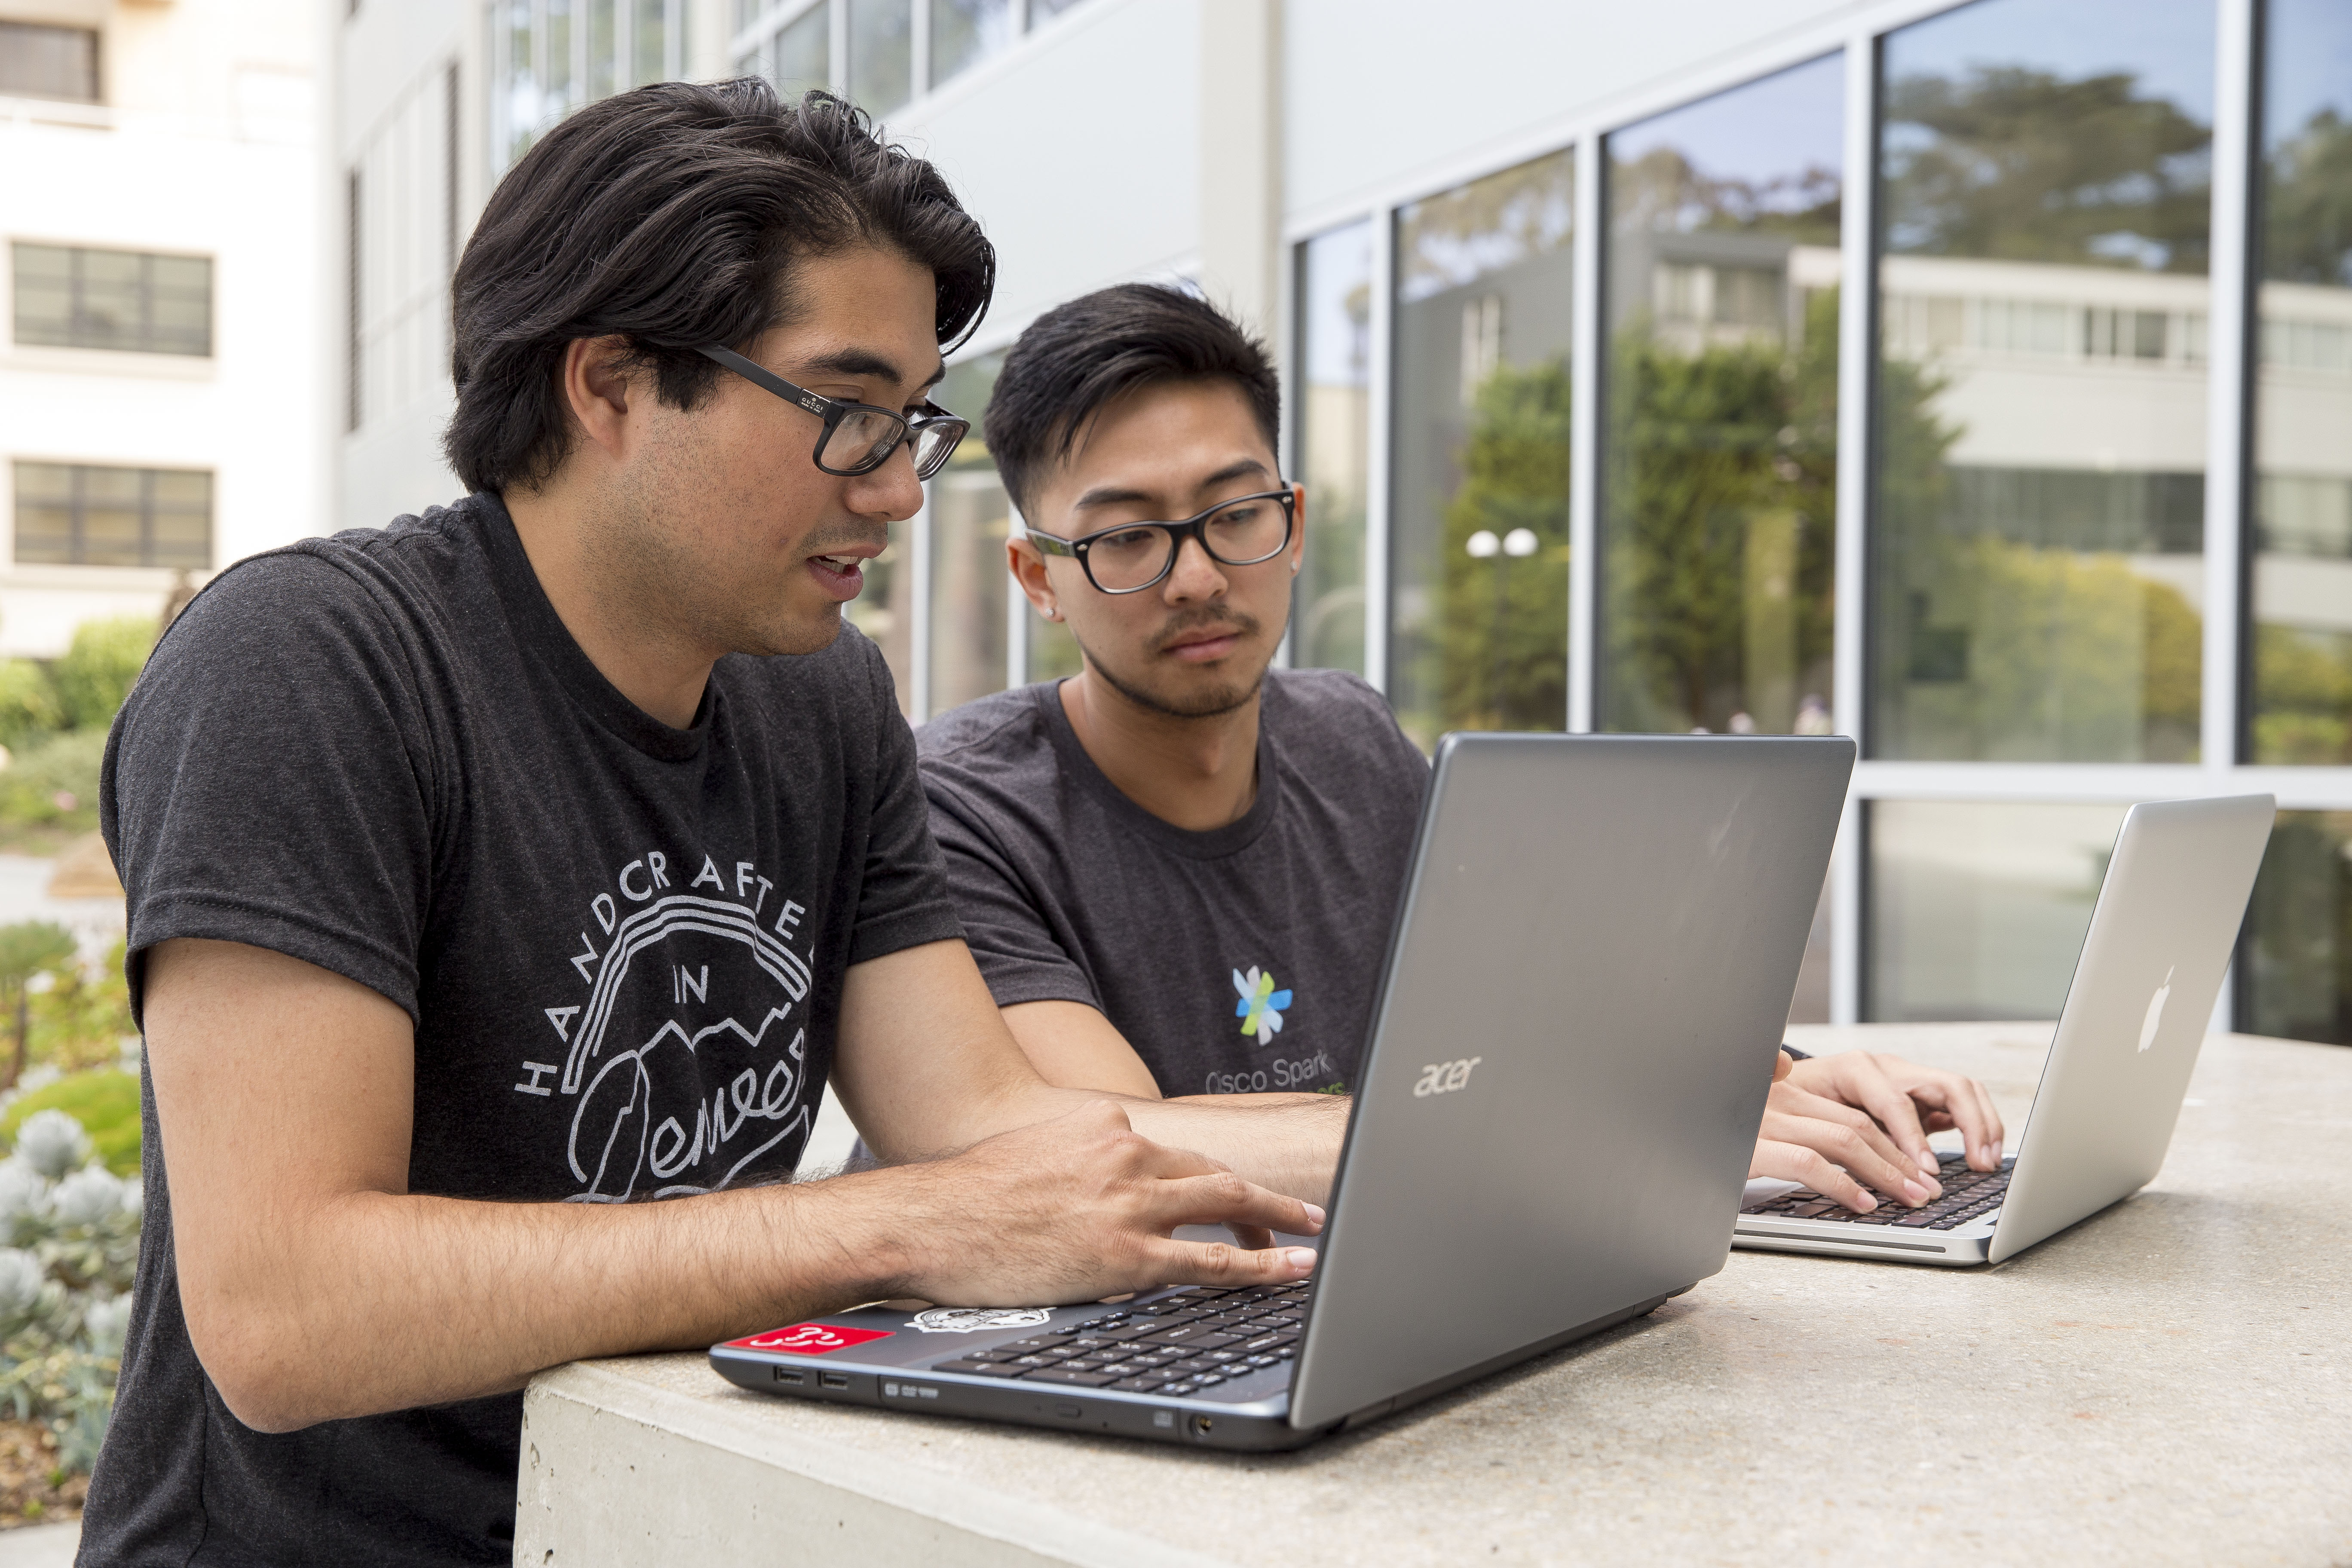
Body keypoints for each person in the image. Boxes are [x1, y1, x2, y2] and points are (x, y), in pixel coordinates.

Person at [83, 86, 1339, 1566]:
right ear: (611, 384)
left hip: (654, 1515)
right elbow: (285, 1309)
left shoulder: (823, 700)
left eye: (913, 424)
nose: (894, 490)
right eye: (846, 413)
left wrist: (1449, 1151)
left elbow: (989, 1125)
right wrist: (898, 1225)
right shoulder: (312, 665)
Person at [918, 283, 2006, 1219]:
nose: (1198, 575)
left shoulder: (1349, 735)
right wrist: (1591, 1126)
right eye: (1125, 537)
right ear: (1037, 578)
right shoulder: (961, 806)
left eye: (1235, 512)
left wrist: (1768, 1083)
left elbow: (1551, 1002)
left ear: (1292, 525)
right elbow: (1124, 1145)